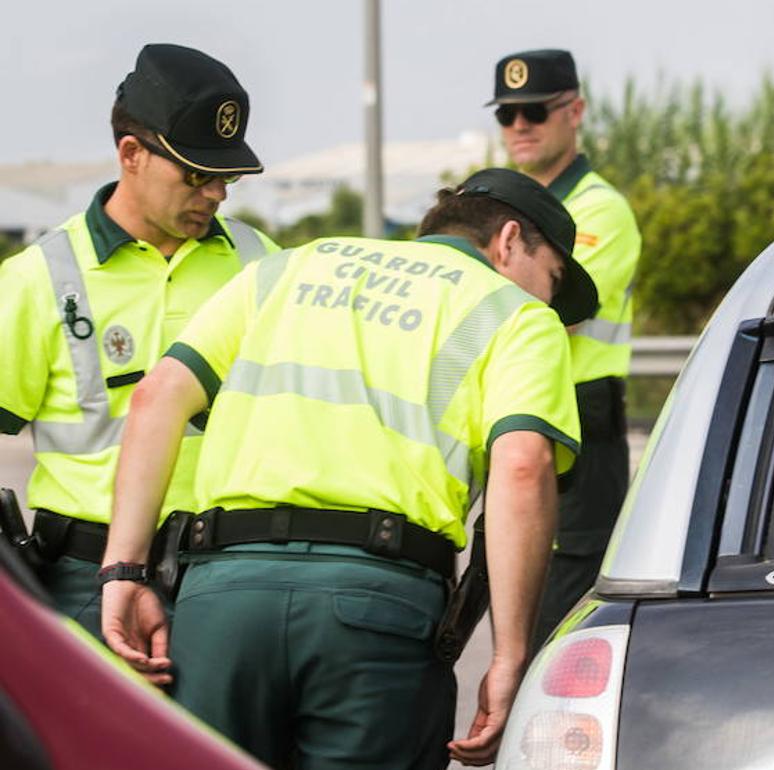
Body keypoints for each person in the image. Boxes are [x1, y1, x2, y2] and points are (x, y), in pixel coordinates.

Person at [99, 168, 597, 769]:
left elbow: (157, 398)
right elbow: (523, 467)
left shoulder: (284, 270)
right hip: (375, 613)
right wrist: (509, 655)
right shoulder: (513, 315)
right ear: (509, 240)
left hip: (222, 602)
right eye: (553, 278)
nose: (548, 301)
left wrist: (123, 570)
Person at [0, 43, 276, 639]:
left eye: (227, 177)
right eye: (197, 175)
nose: (217, 194)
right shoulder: (38, 277)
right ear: (131, 153)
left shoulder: (263, 263)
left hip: (228, 574)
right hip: (82, 578)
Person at [487, 48, 642, 643]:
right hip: (524, 417)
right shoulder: (510, 208)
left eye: (534, 111)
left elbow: (551, 312)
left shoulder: (600, 209)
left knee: (560, 628)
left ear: (574, 111)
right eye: (506, 114)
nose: (519, 126)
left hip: (584, 421)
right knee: (516, 615)